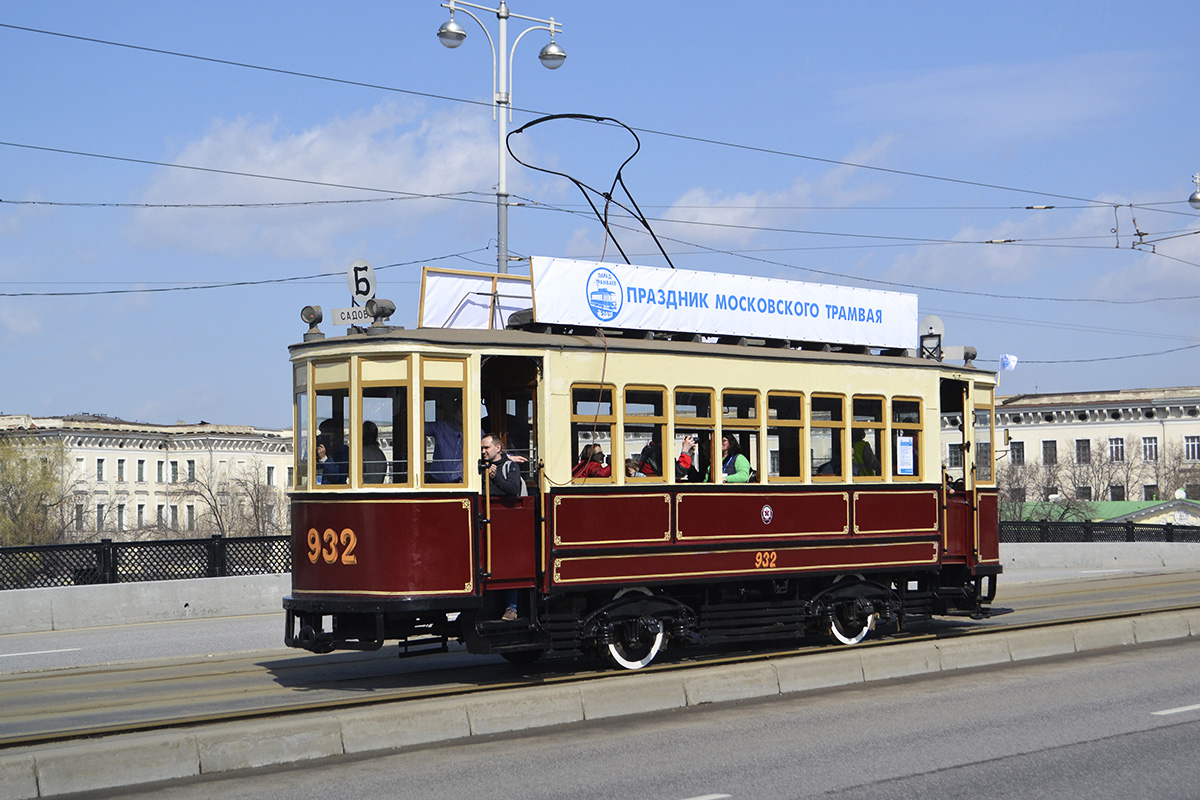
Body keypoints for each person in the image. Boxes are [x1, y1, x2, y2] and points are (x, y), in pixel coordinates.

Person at [481, 432, 524, 620]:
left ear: (497, 448)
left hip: (508, 524)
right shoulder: (480, 466)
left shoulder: (510, 466)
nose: (483, 451)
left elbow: (512, 490)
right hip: (487, 521)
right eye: (482, 448)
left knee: (509, 566)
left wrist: (495, 478)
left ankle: (511, 608)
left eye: (486, 448)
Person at [425, 395, 464, 483]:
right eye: (462, 412)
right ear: (455, 414)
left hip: (462, 484)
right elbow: (417, 428)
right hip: (436, 482)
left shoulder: (478, 433)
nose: (466, 415)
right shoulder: (441, 427)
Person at [316, 419, 348, 484]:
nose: (323, 435)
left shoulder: (342, 452)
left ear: (335, 435)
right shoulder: (327, 452)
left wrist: (324, 458)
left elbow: (337, 476)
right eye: (322, 432)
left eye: (326, 432)